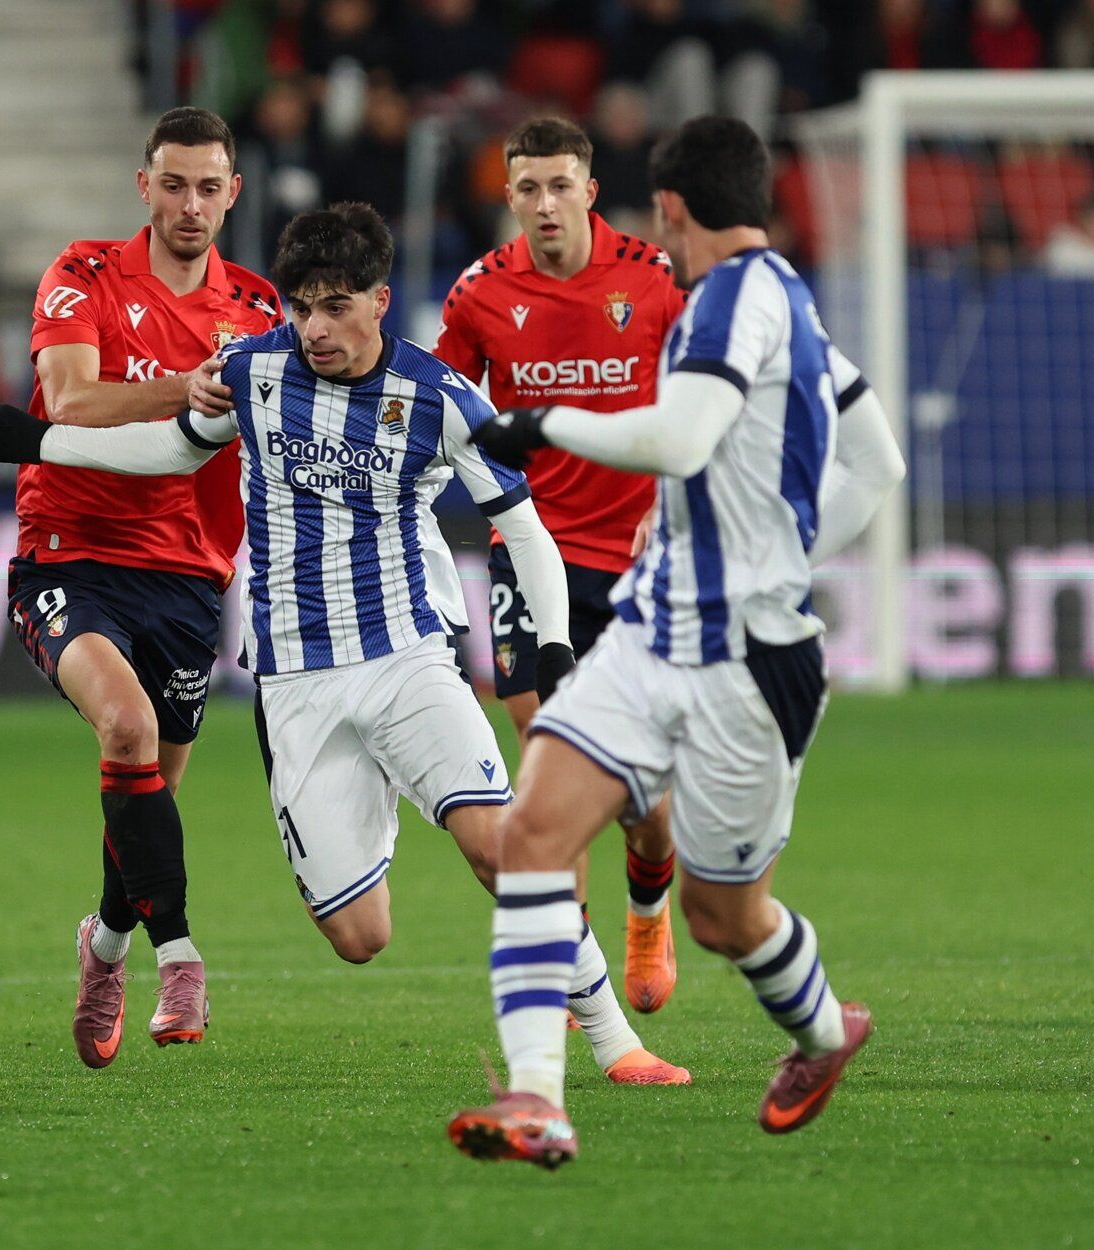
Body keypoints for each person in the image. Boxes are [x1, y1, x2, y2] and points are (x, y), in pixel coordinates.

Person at [0, 202, 690, 1090]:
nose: (314, 327)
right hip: (296, 683)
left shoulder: (441, 396)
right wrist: (38, 440)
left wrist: (556, 653)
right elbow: (172, 451)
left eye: (336, 305)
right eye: (301, 306)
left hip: (408, 657)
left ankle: (616, 1045)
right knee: (359, 940)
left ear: (381, 301)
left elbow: (523, 530)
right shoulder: (254, 371)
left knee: (503, 848)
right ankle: (392, 795)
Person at [448, 116, 907, 1166]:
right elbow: (877, 463)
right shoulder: (783, 299)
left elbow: (683, 436)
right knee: (533, 832)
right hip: (656, 629)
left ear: (667, 209)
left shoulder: (727, 303)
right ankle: (534, 1098)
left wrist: (543, 422)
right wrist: (785, 544)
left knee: (721, 915)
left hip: (752, 663)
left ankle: (825, 1033)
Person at [0, 107, 281, 1070]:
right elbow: (70, 400)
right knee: (127, 730)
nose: (190, 204)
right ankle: (182, 956)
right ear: (143, 187)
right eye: (173, 184)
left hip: (192, 577)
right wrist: (193, 384)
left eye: (209, 187)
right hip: (69, 551)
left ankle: (105, 947)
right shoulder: (82, 275)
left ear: (232, 193)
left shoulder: (262, 311)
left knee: (145, 796)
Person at [434, 117, 688, 1015]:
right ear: (508, 196)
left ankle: (649, 908)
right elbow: (440, 416)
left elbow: (696, 409)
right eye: (528, 188)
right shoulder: (476, 296)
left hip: (636, 562)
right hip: (529, 549)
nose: (545, 204)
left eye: (560, 185)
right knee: (551, 758)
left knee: (643, 796)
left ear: (589, 189)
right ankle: (583, 990)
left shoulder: (654, 281)